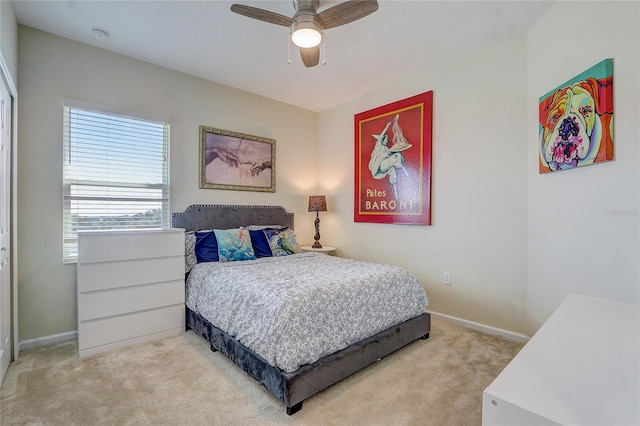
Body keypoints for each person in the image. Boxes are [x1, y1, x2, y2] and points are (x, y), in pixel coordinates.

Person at [368, 115, 409, 201]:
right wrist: (386, 127)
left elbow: (390, 154)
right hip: (382, 165)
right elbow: (380, 139)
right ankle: (405, 171)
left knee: (393, 170)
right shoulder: (379, 146)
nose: (387, 140)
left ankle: (395, 193)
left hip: (385, 166)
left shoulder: (386, 148)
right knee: (397, 156)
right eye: (385, 139)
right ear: (382, 139)